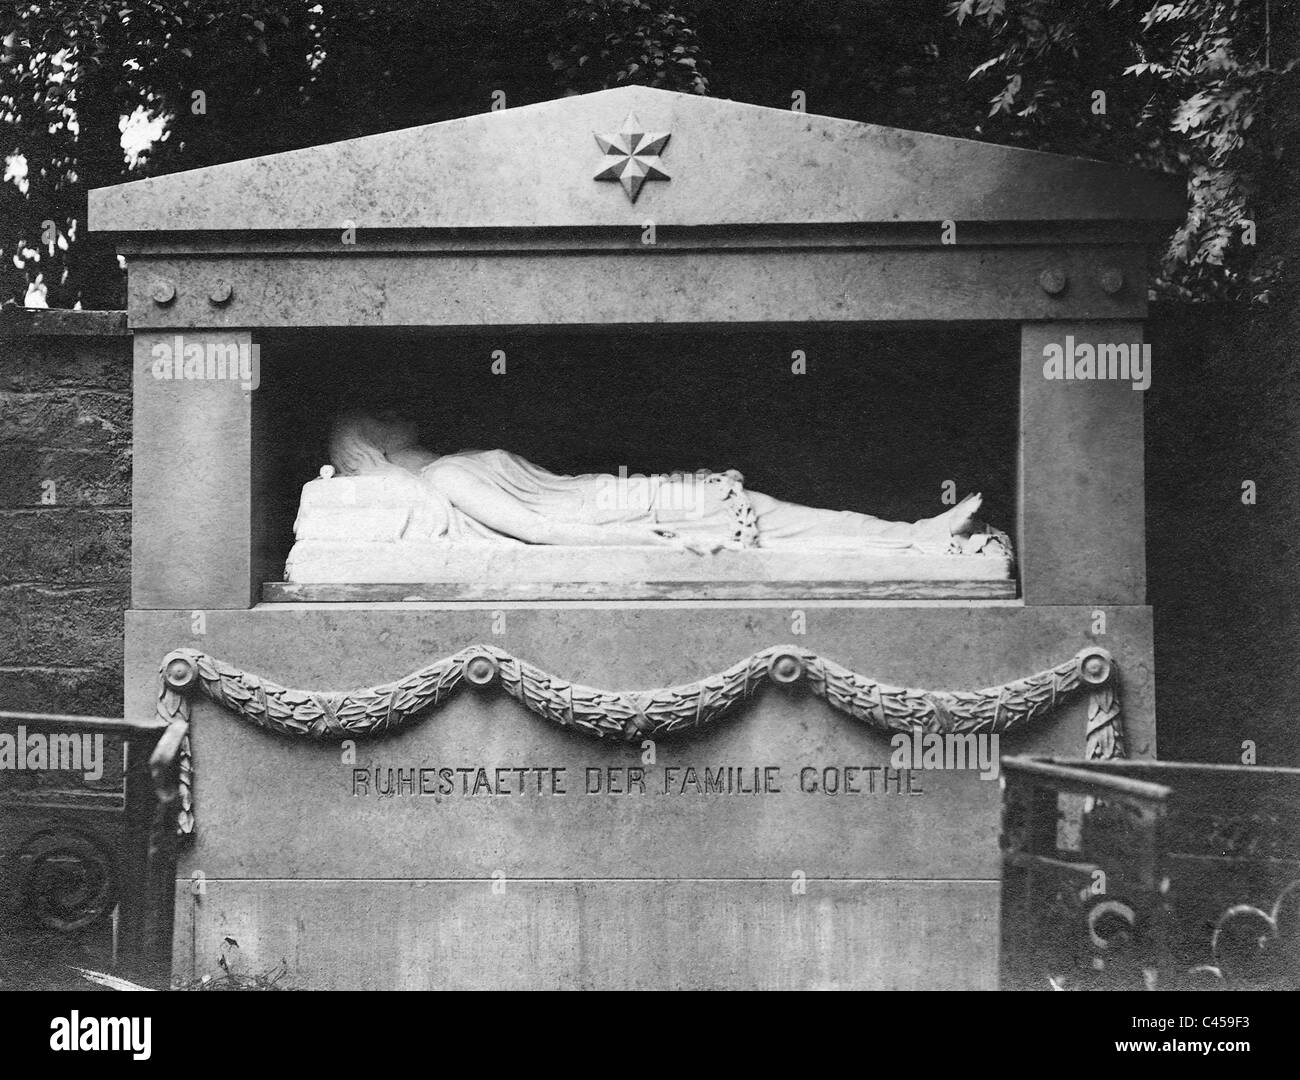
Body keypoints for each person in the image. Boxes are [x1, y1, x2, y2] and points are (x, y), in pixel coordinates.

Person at [326, 410, 1002, 557]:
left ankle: (915, 538)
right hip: (619, 508)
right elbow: (536, 530)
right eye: (381, 413)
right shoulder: (445, 476)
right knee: (772, 526)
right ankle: (917, 539)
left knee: (772, 523)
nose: (401, 410)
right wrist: (631, 536)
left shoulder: (451, 461)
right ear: (373, 446)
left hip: (620, 495)